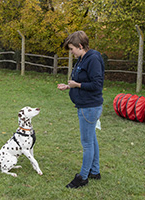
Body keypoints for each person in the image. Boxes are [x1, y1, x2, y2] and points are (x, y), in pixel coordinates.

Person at [57, 30, 104, 189]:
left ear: (80, 45)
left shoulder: (93, 59)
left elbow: (97, 85)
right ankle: (95, 171)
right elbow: (81, 79)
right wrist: (69, 86)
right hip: (86, 106)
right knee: (92, 139)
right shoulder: (83, 58)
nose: (71, 52)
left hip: (89, 107)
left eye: (72, 49)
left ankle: (83, 177)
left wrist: (77, 85)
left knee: (87, 143)